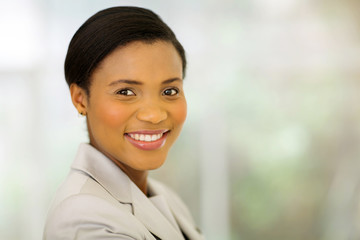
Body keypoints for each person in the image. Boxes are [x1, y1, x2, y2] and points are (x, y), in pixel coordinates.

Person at [43, 6, 204, 240]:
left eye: (170, 90)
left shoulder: (166, 198)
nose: (154, 115)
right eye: (126, 92)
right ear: (80, 99)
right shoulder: (82, 218)